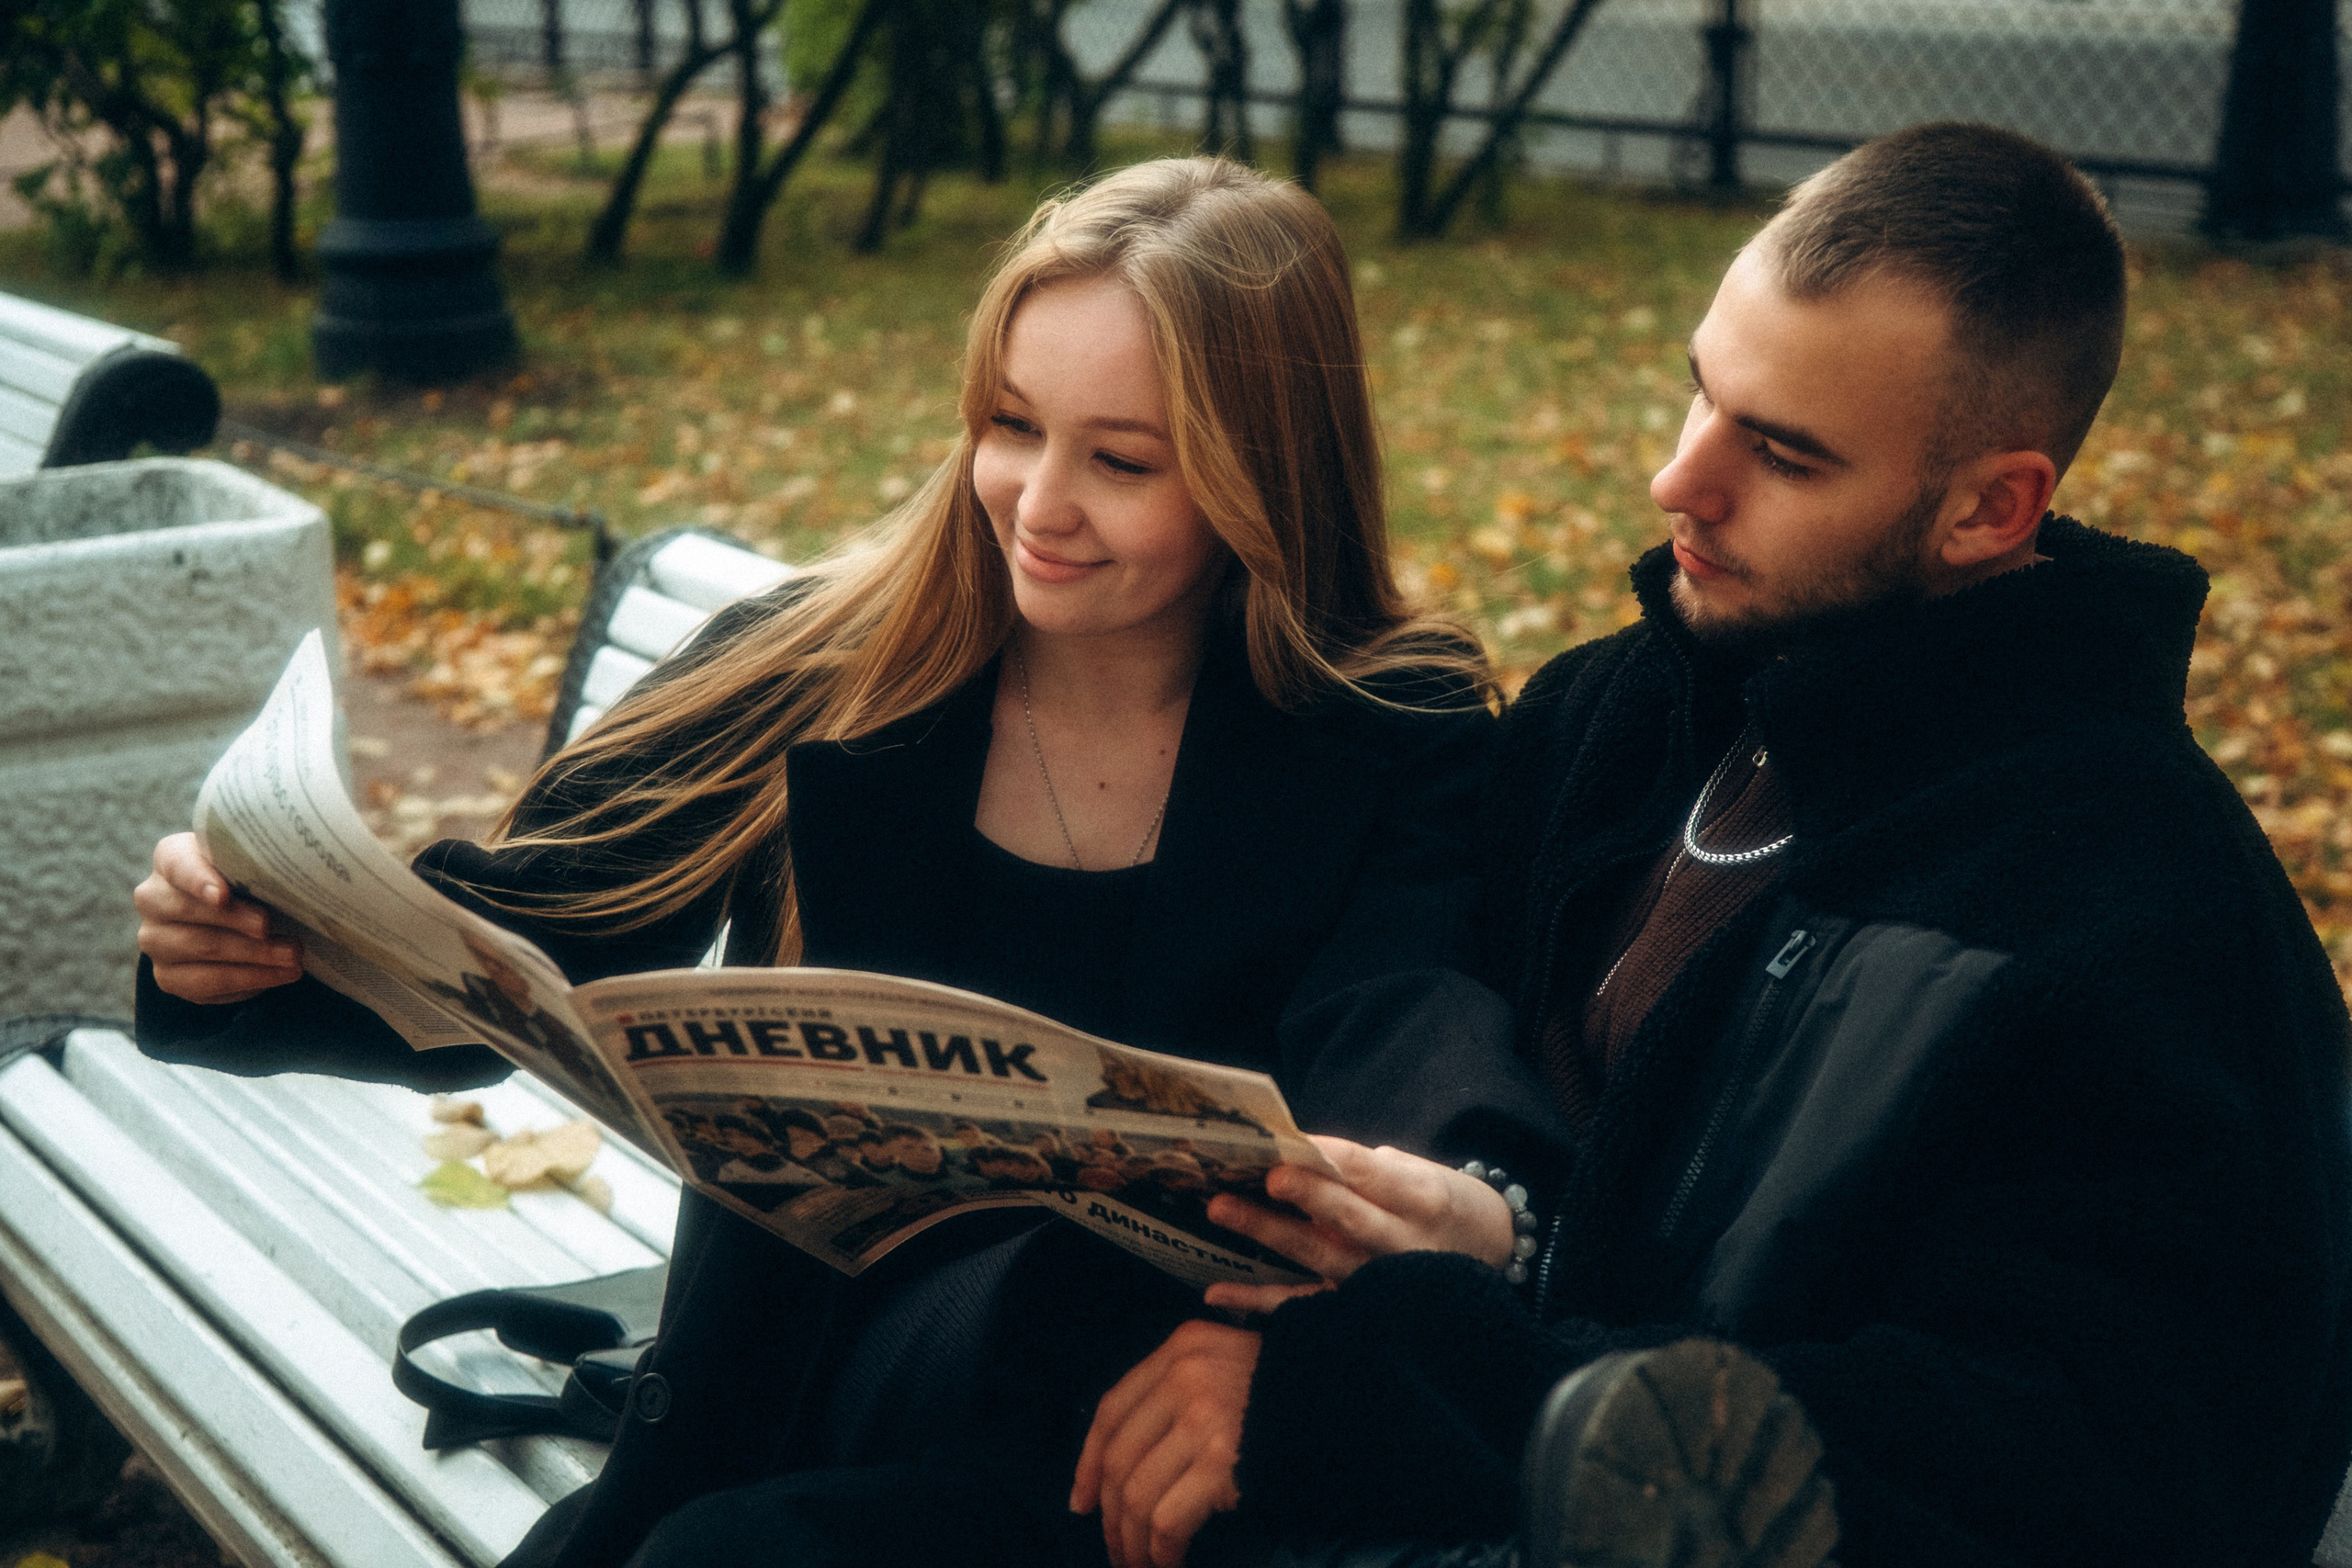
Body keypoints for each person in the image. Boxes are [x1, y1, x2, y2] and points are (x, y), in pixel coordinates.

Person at [130, 156, 1570, 1568]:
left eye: (1122, 460)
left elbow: (1413, 1024)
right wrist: (258, 950)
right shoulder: (818, 665)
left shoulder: (1388, 727)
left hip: (1100, 1453)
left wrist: (1458, 1202)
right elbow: (534, 938)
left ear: (1265, 476)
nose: (1038, 502)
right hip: (778, 1390)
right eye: (1012, 425)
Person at [1071, 124, 2352, 1568]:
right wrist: (1461, 1241)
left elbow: (2077, 1480)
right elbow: (1424, 1020)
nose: (1681, 481)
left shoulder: (2142, 926)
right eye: (1702, 393)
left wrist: (1406, 1378)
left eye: (1784, 455)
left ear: (1993, 508)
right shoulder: (1611, 716)